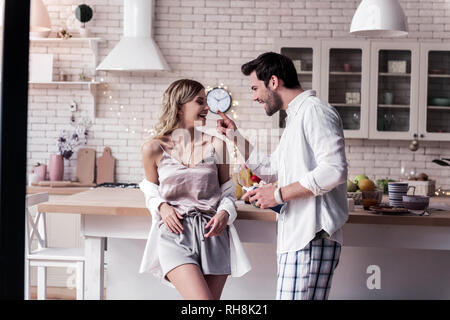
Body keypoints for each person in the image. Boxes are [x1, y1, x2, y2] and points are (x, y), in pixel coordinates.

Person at [216, 52, 348, 300]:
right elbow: (272, 168)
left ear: (274, 82)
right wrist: (235, 136)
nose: (254, 96)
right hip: (301, 237)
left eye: (256, 88)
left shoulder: (314, 111)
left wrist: (277, 194)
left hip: (310, 236)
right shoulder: (296, 117)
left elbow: (334, 170)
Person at [139, 79, 251, 300]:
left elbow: (227, 194)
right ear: (179, 107)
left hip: (213, 234)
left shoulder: (217, 145)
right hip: (175, 234)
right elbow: (150, 191)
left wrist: (224, 213)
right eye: (200, 102)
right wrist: (162, 207)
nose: (207, 108)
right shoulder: (153, 148)